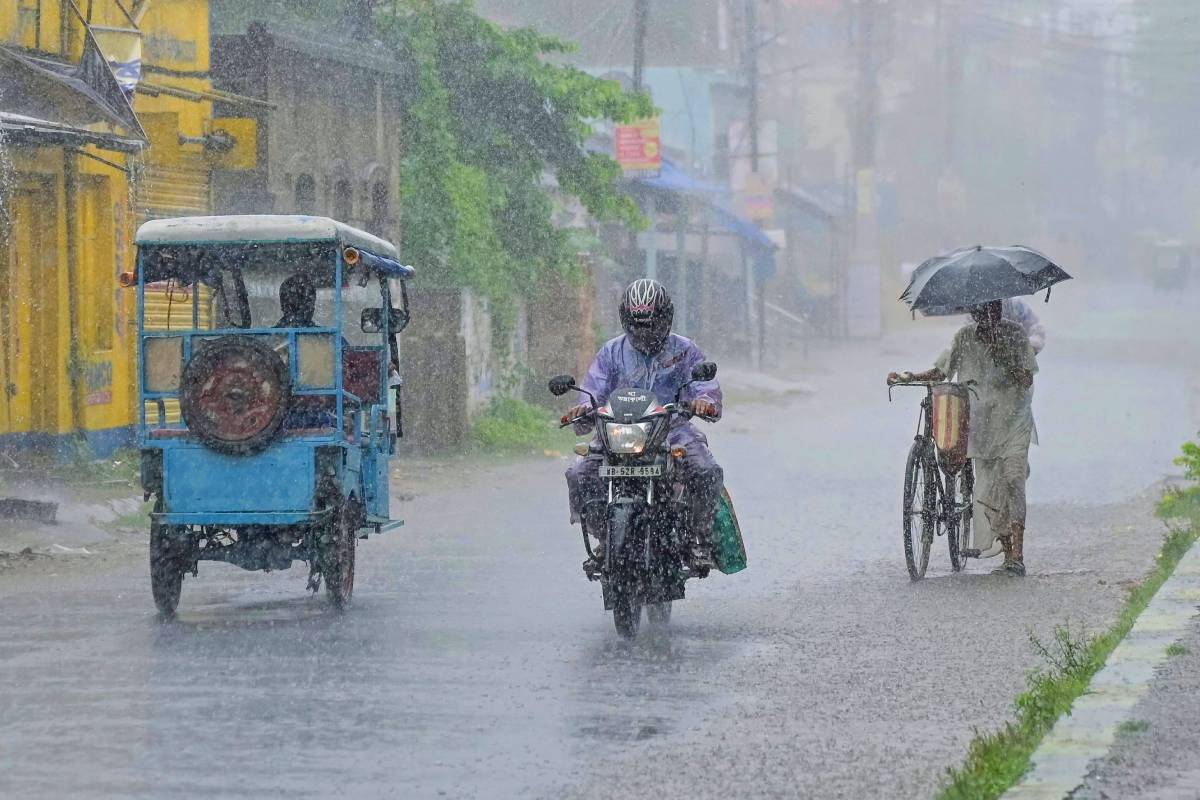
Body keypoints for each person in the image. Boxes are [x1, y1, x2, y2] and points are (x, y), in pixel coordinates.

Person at [564, 278, 724, 570]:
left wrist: (704, 402)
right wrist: (582, 409)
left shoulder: (685, 351)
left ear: (666, 318)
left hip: (673, 430)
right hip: (619, 432)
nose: (644, 331)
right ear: (626, 320)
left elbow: (706, 389)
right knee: (580, 474)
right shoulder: (612, 352)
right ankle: (605, 538)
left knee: (706, 471)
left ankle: (700, 538)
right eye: (637, 324)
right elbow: (593, 391)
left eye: (651, 324)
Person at [888, 299, 1038, 577]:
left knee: (1013, 478)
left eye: (992, 309)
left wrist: (1003, 355)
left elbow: (1027, 378)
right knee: (988, 490)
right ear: (973, 313)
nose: (987, 315)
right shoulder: (965, 337)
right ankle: (1007, 553)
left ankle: (1017, 555)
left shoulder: (1016, 334)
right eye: (981, 311)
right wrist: (908, 377)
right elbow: (941, 371)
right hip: (982, 426)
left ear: (999, 309)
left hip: (1014, 419)